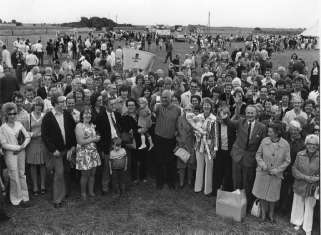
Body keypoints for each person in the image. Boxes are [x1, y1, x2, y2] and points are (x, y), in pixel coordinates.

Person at [221, 102, 266, 210]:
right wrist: (225, 115)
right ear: (245, 113)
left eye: (252, 113)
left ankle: (247, 203)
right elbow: (230, 123)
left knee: (248, 181)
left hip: (250, 157)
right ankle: (237, 202)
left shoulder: (262, 127)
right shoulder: (241, 122)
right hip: (237, 155)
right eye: (248, 113)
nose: (250, 115)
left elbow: (262, 144)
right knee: (236, 179)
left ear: (256, 114)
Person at [41, 91, 77, 208]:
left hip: (67, 149)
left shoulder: (67, 114)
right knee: (59, 173)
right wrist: (53, 150)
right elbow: (45, 136)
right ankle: (57, 199)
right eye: (62, 102)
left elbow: (72, 131)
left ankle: (64, 192)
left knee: (66, 171)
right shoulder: (47, 117)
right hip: (56, 151)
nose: (65, 104)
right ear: (55, 104)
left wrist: (72, 148)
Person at [252, 122, 291, 223]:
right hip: (263, 172)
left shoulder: (285, 144)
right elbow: (258, 155)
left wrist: (277, 170)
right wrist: (263, 165)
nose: (268, 134)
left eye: (270, 132)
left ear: (277, 133)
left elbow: (287, 160)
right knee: (262, 194)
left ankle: (271, 215)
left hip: (276, 175)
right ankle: (263, 214)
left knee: (272, 197)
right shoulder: (264, 141)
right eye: (268, 131)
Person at [0, 103, 31, 206]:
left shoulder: (19, 124)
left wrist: (23, 146)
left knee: (22, 173)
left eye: (14, 113)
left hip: (21, 152)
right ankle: (16, 198)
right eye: (10, 114)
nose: (13, 115)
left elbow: (27, 137)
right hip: (10, 153)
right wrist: (17, 148)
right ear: (6, 115)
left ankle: (25, 197)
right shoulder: (3, 128)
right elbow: (4, 144)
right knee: (14, 175)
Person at [187, 98, 218, 195]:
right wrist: (197, 133)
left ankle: (207, 190)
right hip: (199, 145)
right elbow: (194, 129)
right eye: (205, 104)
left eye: (208, 105)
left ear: (211, 107)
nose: (206, 106)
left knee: (209, 168)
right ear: (202, 106)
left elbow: (215, 134)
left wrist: (215, 149)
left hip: (209, 146)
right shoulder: (198, 116)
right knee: (199, 166)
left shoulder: (214, 118)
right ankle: (197, 188)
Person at [290, 134, 319, 235]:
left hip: (312, 186)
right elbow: (294, 169)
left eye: (315, 144)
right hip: (300, 183)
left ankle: (307, 227)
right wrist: (304, 177)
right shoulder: (300, 154)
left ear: (318, 146)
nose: (312, 146)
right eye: (310, 144)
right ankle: (297, 222)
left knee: (309, 206)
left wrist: (317, 178)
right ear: (306, 144)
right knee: (298, 204)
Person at [154, 90, 181, 189]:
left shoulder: (178, 109)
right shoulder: (159, 107)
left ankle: (170, 181)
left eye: (166, 97)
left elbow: (180, 123)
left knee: (170, 161)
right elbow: (153, 109)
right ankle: (159, 181)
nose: (164, 99)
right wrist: (156, 99)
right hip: (159, 137)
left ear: (171, 98)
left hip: (171, 139)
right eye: (162, 97)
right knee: (159, 161)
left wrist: (177, 131)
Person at [96, 97, 122, 195]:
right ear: (106, 105)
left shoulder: (118, 115)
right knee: (106, 166)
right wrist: (102, 149)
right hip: (107, 143)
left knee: (118, 164)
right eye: (111, 104)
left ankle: (117, 184)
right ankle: (105, 187)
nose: (114, 106)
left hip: (117, 142)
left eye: (114, 104)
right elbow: (99, 134)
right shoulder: (100, 117)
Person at [75, 106, 101, 198]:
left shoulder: (92, 125)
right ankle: (83, 193)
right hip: (84, 153)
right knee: (85, 175)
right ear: (82, 115)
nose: (88, 115)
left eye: (90, 113)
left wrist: (96, 139)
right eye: (86, 113)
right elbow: (80, 141)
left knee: (92, 173)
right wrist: (94, 139)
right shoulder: (79, 126)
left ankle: (91, 191)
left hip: (93, 152)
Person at [26, 97, 50, 196]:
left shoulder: (44, 116)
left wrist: (41, 134)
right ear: (33, 106)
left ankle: (43, 186)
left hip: (42, 143)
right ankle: (35, 186)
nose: (38, 107)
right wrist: (31, 134)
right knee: (33, 165)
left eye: (40, 105)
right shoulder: (28, 117)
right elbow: (25, 130)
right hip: (32, 143)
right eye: (36, 105)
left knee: (43, 164)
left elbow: (47, 129)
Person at [176, 104, 196, 189]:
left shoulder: (195, 119)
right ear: (183, 111)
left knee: (190, 164)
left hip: (191, 143)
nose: (187, 111)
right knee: (181, 164)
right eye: (186, 110)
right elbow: (176, 130)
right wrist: (177, 138)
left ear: (192, 111)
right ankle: (181, 183)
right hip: (182, 144)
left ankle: (189, 181)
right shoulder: (179, 119)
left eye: (189, 110)